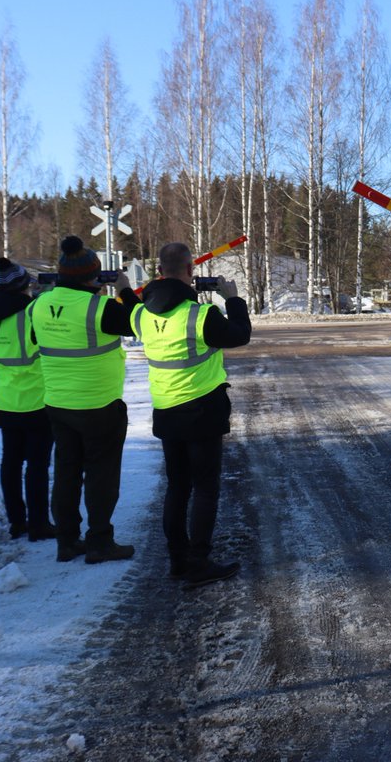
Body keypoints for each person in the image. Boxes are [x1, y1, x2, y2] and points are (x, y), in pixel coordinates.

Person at [132, 242, 251, 587]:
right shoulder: (200, 315)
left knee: (177, 487)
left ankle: (178, 560)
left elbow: (131, 310)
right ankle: (199, 561)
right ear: (190, 271)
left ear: (159, 272)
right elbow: (240, 335)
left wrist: (127, 290)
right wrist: (232, 299)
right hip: (202, 412)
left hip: (166, 412)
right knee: (205, 488)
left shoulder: (141, 315)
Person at [30, 235, 139, 563]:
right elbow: (138, 323)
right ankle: (100, 542)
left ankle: (66, 541)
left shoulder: (38, 305)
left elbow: (37, 337)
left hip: (58, 403)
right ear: (93, 277)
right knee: (101, 475)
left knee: (66, 472)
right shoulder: (101, 307)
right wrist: (124, 290)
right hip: (99, 405)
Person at [0, 258, 55, 542]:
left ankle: (17, 522)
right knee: (36, 465)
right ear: (23, 285)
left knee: (10, 463)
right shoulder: (30, 314)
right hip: (36, 400)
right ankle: (39, 524)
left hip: (6, 400)